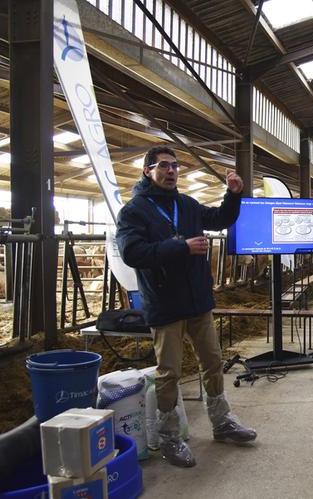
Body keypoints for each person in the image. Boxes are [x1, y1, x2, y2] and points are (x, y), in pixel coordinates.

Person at [116, 146, 257, 468]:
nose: (171, 171)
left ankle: (222, 423)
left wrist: (233, 195)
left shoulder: (186, 205)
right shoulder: (134, 211)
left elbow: (219, 219)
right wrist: (181, 246)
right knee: (169, 373)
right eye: (164, 165)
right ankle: (170, 437)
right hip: (165, 306)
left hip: (198, 302)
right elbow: (132, 252)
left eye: (175, 166)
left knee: (212, 361)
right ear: (147, 170)